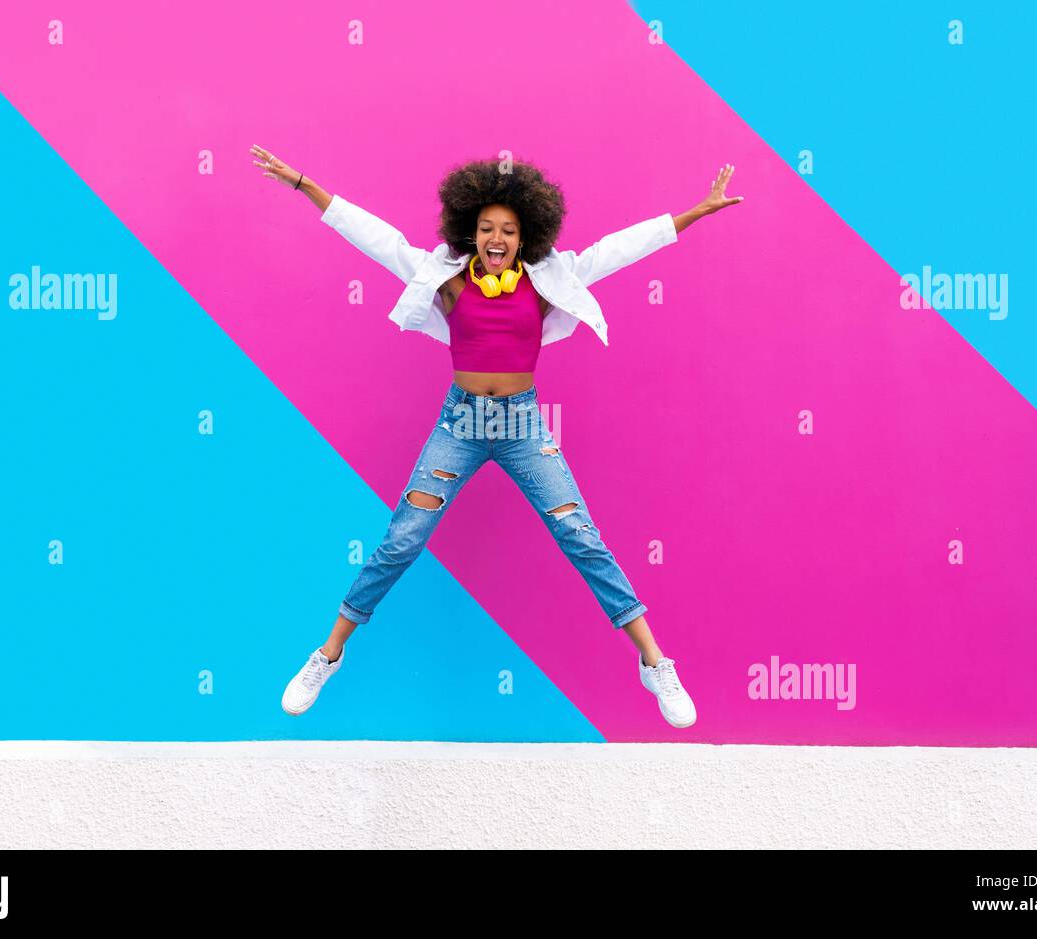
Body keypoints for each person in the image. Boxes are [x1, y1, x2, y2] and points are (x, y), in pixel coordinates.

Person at [252, 147, 744, 728]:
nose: (496, 237)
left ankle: (655, 663)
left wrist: (695, 212)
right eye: (486, 227)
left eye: (508, 229)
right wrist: (305, 183)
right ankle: (328, 654)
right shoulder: (448, 280)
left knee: (581, 536)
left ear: (525, 235)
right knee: (403, 539)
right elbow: (377, 239)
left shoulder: (545, 282)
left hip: (522, 425)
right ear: (469, 232)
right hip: (459, 424)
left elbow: (618, 249)